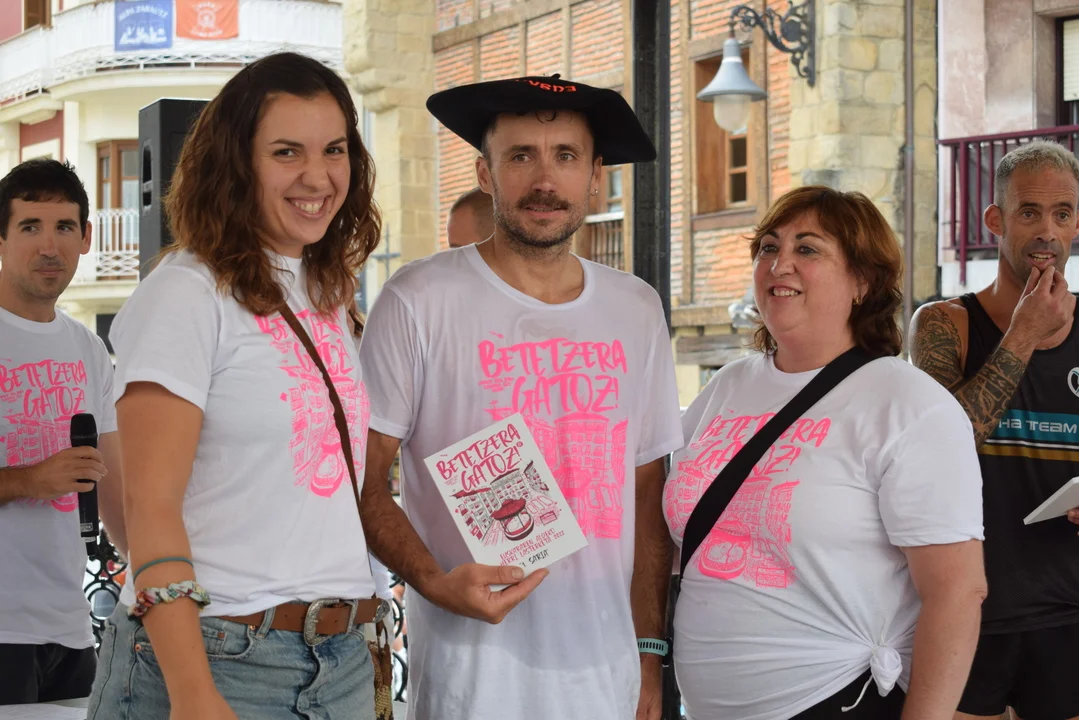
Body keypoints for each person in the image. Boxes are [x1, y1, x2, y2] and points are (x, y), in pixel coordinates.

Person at [358, 75, 683, 720]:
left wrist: (649, 652)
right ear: (486, 172)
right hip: (471, 682)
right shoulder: (418, 300)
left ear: (595, 176)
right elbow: (360, 481)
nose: (544, 180)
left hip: (606, 679)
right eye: (520, 156)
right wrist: (434, 582)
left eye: (565, 155)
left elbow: (648, 495)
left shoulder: (636, 309)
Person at [87, 52, 385, 720]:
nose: (317, 176)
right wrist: (194, 693)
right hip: (220, 658)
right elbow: (149, 506)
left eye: (334, 149)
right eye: (286, 152)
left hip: (338, 662)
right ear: (236, 164)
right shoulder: (186, 294)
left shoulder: (326, 293)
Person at [665, 186, 987, 720]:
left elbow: (957, 591)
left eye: (807, 249)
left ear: (863, 281)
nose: (779, 264)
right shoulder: (726, 386)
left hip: (838, 698)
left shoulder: (906, 403)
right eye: (769, 247)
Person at [910, 140, 1079, 720]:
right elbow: (936, 455)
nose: (1047, 231)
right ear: (996, 220)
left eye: (1062, 214)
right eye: (1029, 212)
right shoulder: (945, 323)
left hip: (1068, 608)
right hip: (965, 603)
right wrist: (1024, 335)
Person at [0, 158, 125, 705]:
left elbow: (115, 482)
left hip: (72, 627)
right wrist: (31, 480)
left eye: (64, 227)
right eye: (30, 226)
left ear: (86, 238)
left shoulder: (89, 348)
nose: (49, 247)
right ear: (1, 238)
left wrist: (156, 576)